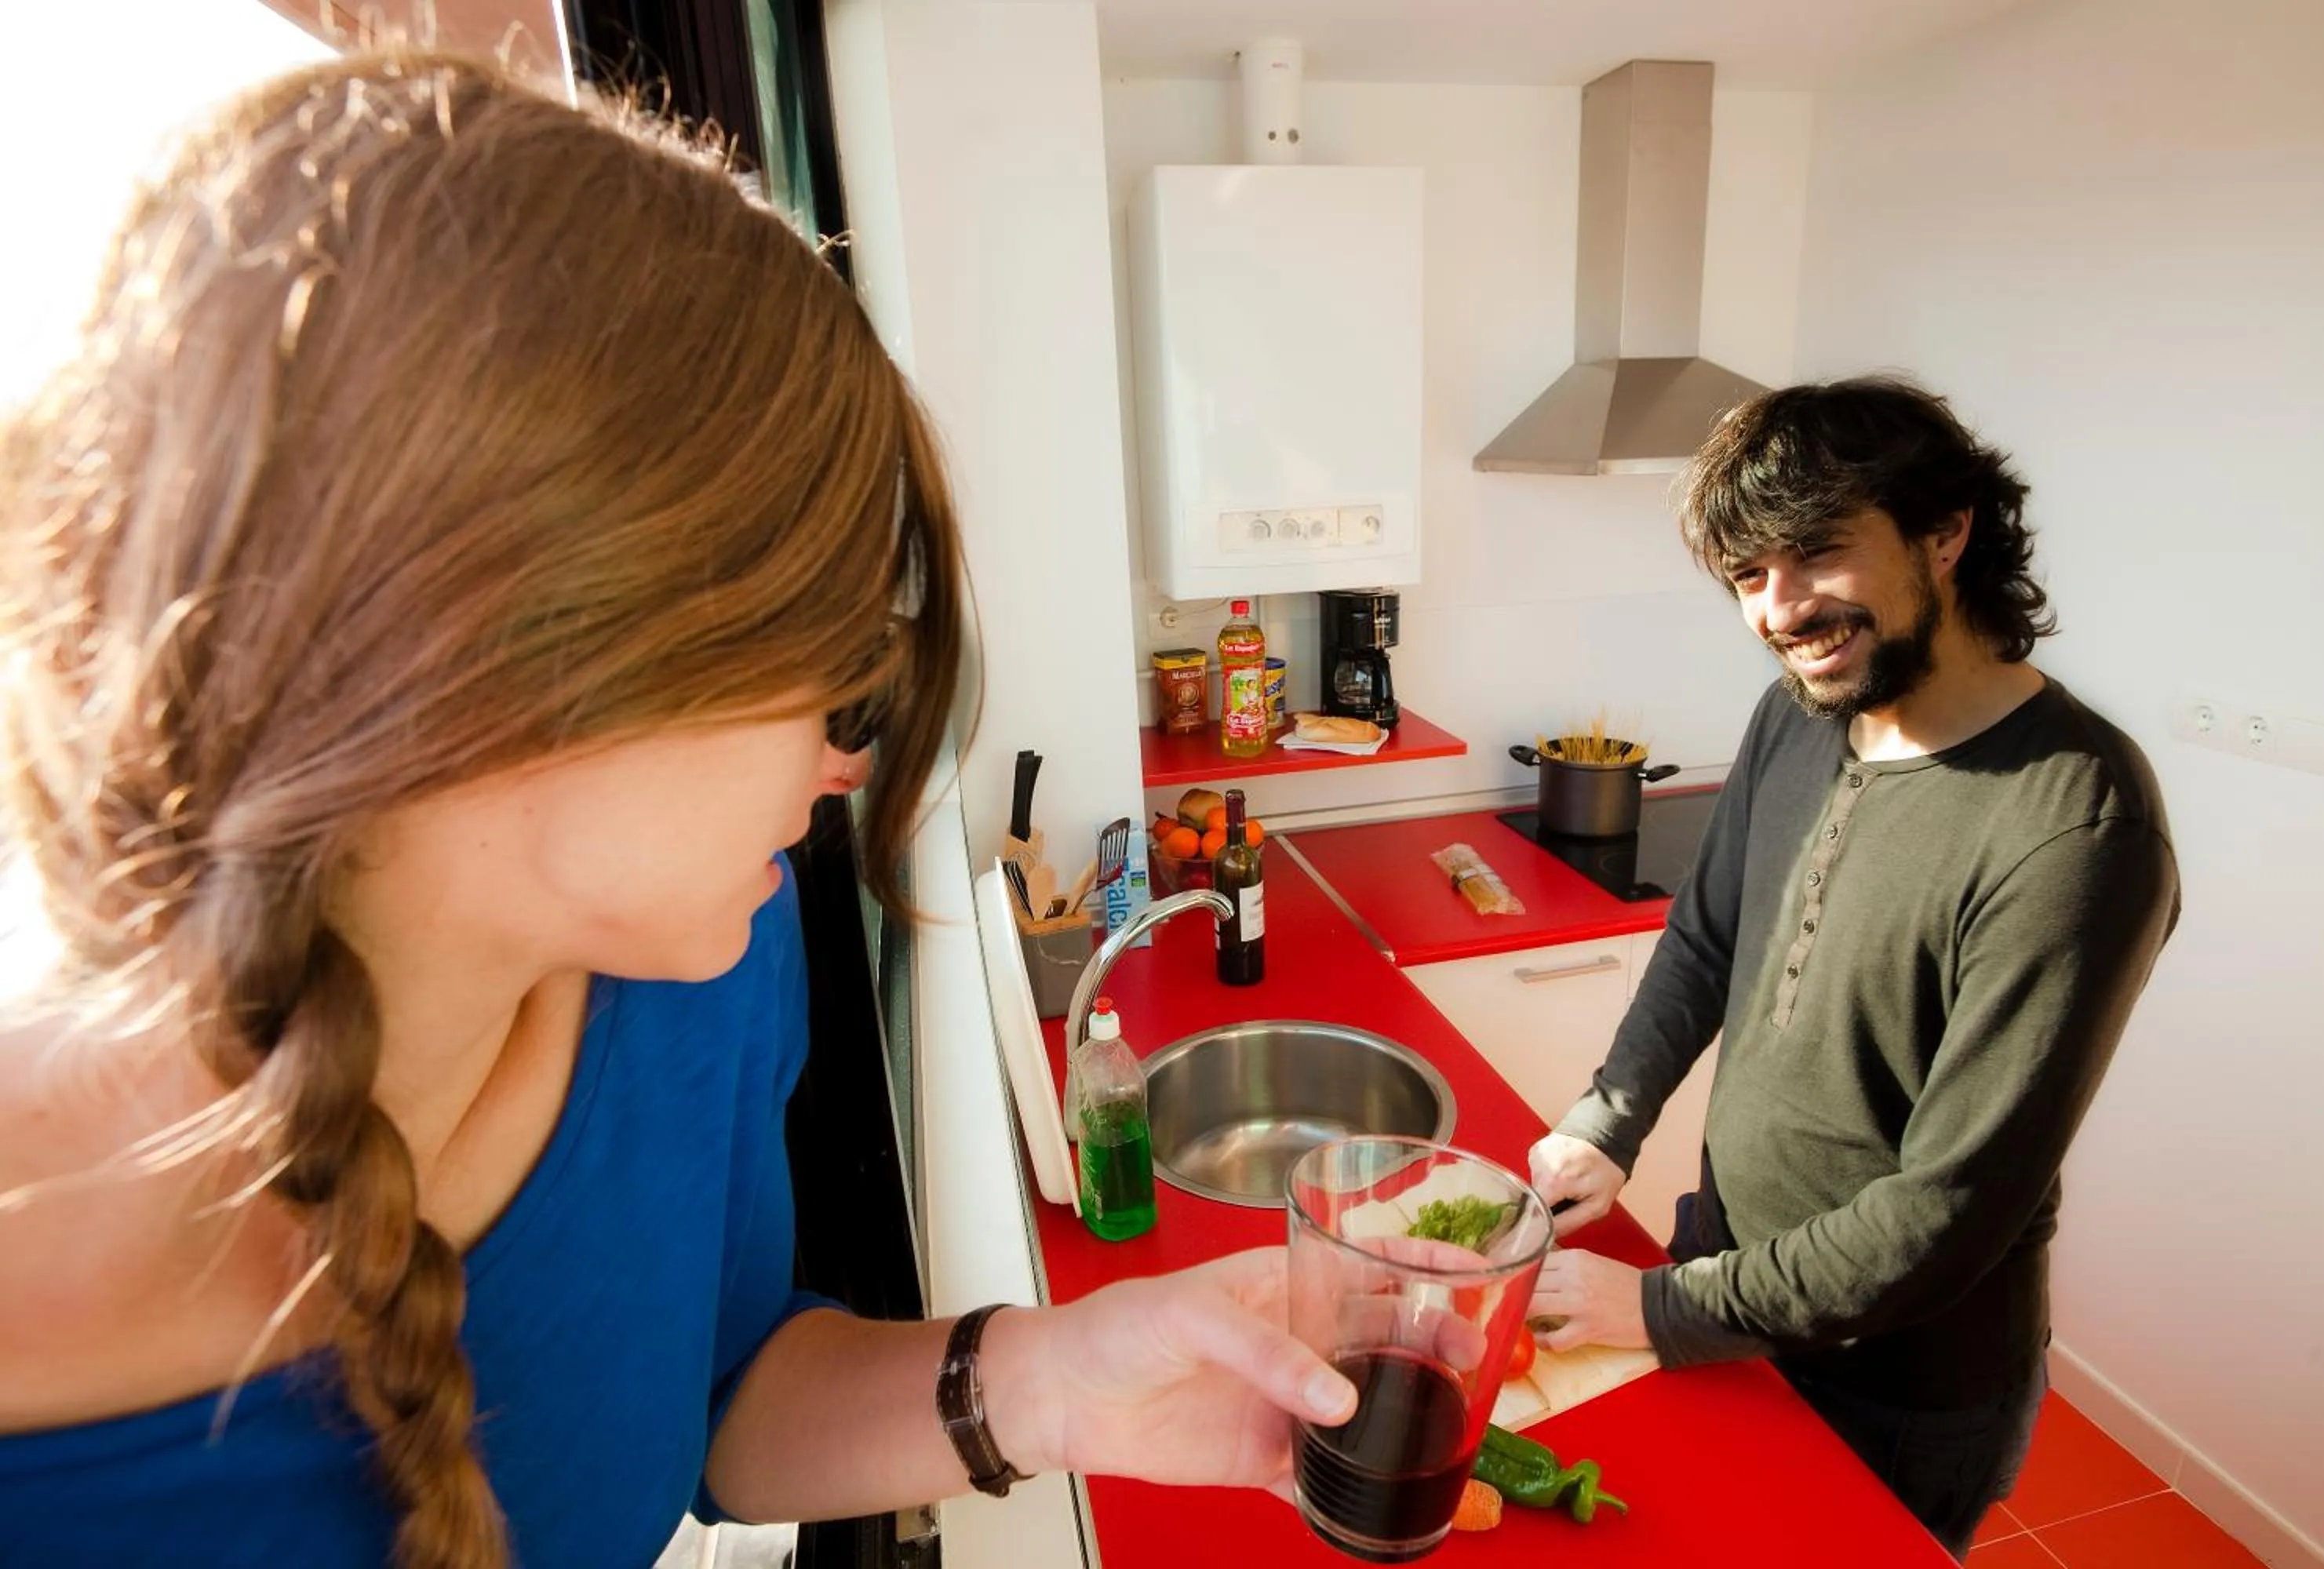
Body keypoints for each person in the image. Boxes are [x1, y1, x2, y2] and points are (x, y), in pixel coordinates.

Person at [0, 50, 1358, 1568]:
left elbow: (720, 1401)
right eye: (830, 666)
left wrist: (1051, 1384)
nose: (847, 765)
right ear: (537, 661)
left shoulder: (695, 975)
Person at [1521, 377, 2180, 1559]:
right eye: (1746, 579)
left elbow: (1949, 1210)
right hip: (1721, 1276)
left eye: (1815, 554)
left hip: (1898, 1389)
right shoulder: (1804, 712)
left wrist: (1665, 1312)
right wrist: (1608, 1120)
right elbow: (1710, 936)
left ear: (1945, 531)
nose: (1780, 610)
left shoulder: (2078, 823)